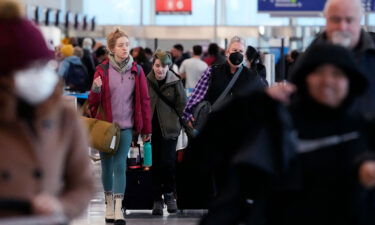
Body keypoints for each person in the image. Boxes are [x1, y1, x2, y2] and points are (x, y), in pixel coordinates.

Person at [199, 43, 375, 225]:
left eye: (337, 74)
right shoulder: (281, 122)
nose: (327, 81)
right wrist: (253, 101)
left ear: (350, 81)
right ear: (305, 78)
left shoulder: (363, 128)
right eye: (319, 72)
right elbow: (212, 155)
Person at [0, 0, 94, 220]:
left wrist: (61, 206)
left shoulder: (64, 117)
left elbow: (83, 184)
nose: (43, 75)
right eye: (32, 67)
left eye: (45, 65)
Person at [88, 28, 152, 224]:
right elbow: (92, 103)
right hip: (106, 128)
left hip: (126, 127)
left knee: (119, 166)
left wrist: (146, 129)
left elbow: (144, 101)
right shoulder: (102, 70)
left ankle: (118, 209)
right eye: (121, 45)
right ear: (111, 48)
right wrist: (96, 88)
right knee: (106, 167)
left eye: (127, 44)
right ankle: (108, 203)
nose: (125, 48)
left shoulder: (137, 70)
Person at [183, 36, 266, 129]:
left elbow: (263, 102)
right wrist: (188, 116)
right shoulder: (212, 71)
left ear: (245, 56)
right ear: (227, 53)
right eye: (234, 50)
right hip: (215, 127)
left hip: (242, 128)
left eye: (241, 51)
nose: (237, 53)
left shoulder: (252, 76)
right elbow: (196, 96)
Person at [146, 49, 187, 215]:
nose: (160, 69)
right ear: (153, 65)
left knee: (168, 163)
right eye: (157, 65)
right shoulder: (146, 81)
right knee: (154, 163)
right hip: (151, 130)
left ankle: (170, 195)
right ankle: (157, 198)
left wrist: (188, 128)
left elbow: (183, 107)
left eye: (163, 66)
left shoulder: (175, 82)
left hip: (170, 130)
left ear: (169, 67)